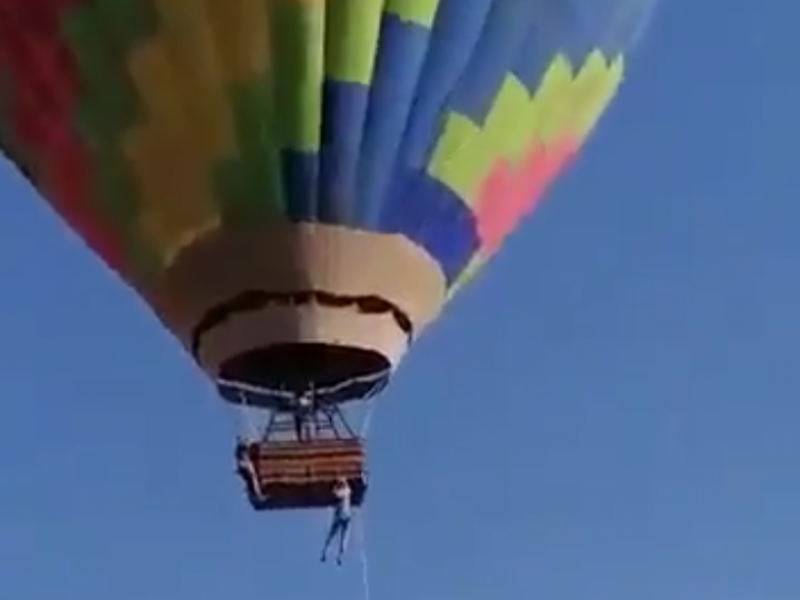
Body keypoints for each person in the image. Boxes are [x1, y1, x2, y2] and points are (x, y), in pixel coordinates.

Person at [320, 478, 353, 564]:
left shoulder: (344, 491)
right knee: (344, 538)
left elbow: (335, 494)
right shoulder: (348, 490)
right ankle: (339, 556)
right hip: (347, 516)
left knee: (332, 535)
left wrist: (335, 486)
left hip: (341, 516)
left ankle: (325, 552)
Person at [234, 439, 264, 505]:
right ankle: (256, 495)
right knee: (251, 479)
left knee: (251, 479)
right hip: (244, 469)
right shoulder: (241, 457)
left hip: (244, 469)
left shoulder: (242, 455)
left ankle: (256, 494)